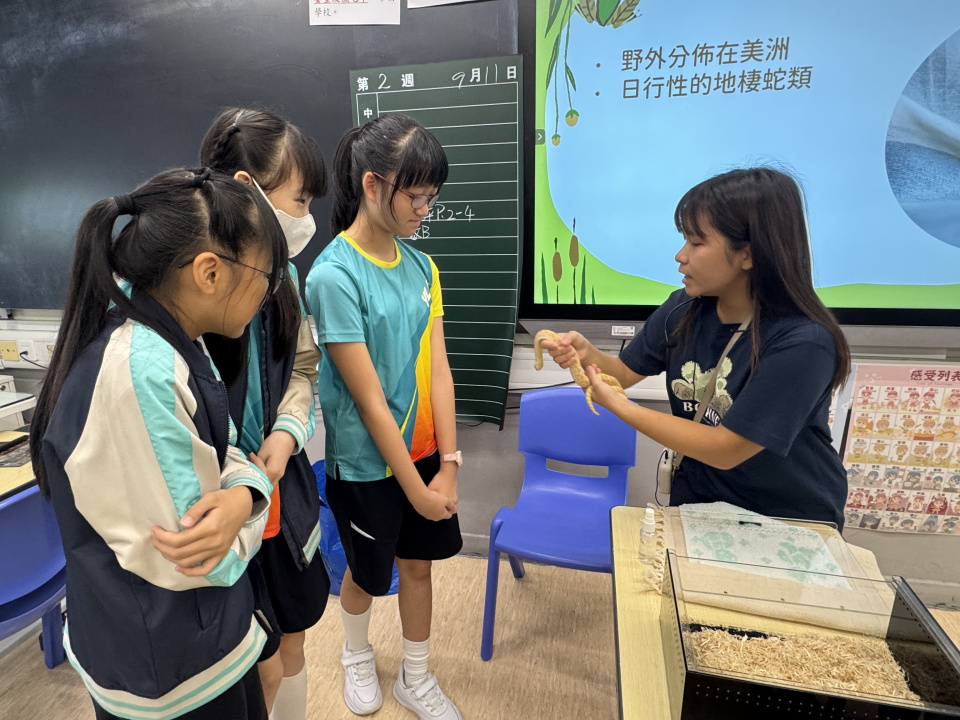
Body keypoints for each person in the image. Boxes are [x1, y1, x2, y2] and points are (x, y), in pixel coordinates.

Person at [28, 168, 286, 719]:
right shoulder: (143, 372)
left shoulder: (166, 331)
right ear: (209, 272)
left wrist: (243, 495)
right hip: (170, 674)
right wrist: (251, 495)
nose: (269, 294)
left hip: (193, 643)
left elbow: (227, 448)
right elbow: (202, 557)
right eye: (267, 276)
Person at [542, 167, 852, 528]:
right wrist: (587, 357)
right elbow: (623, 374)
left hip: (786, 517)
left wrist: (620, 407)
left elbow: (727, 449)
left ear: (748, 254)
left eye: (696, 242)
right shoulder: (682, 309)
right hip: (699, 502)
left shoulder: (804, 342)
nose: (680, 255)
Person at [304, 113, 462, 720]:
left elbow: (439, 370)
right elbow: (369, 400)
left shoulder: (423, 268)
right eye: (415, 196)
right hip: (366, 463)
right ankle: (355, 654)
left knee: (418, 567)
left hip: (424, 452)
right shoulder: (334, 275)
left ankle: (415, 677)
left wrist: (447, 465)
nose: (425, 210)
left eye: (431, 197)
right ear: (373, 185)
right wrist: (415, 488)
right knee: (367, 574)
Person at [200, 107, 329, 720]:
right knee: (257, 664)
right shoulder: (194, 284)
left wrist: (287, 431)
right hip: (222, 503)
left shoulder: (287, 280)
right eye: (299, 200)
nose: (307, 218)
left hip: (281, 489)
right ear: (247, 189)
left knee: (292, 636)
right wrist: (240, 477)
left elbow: (302, 367)